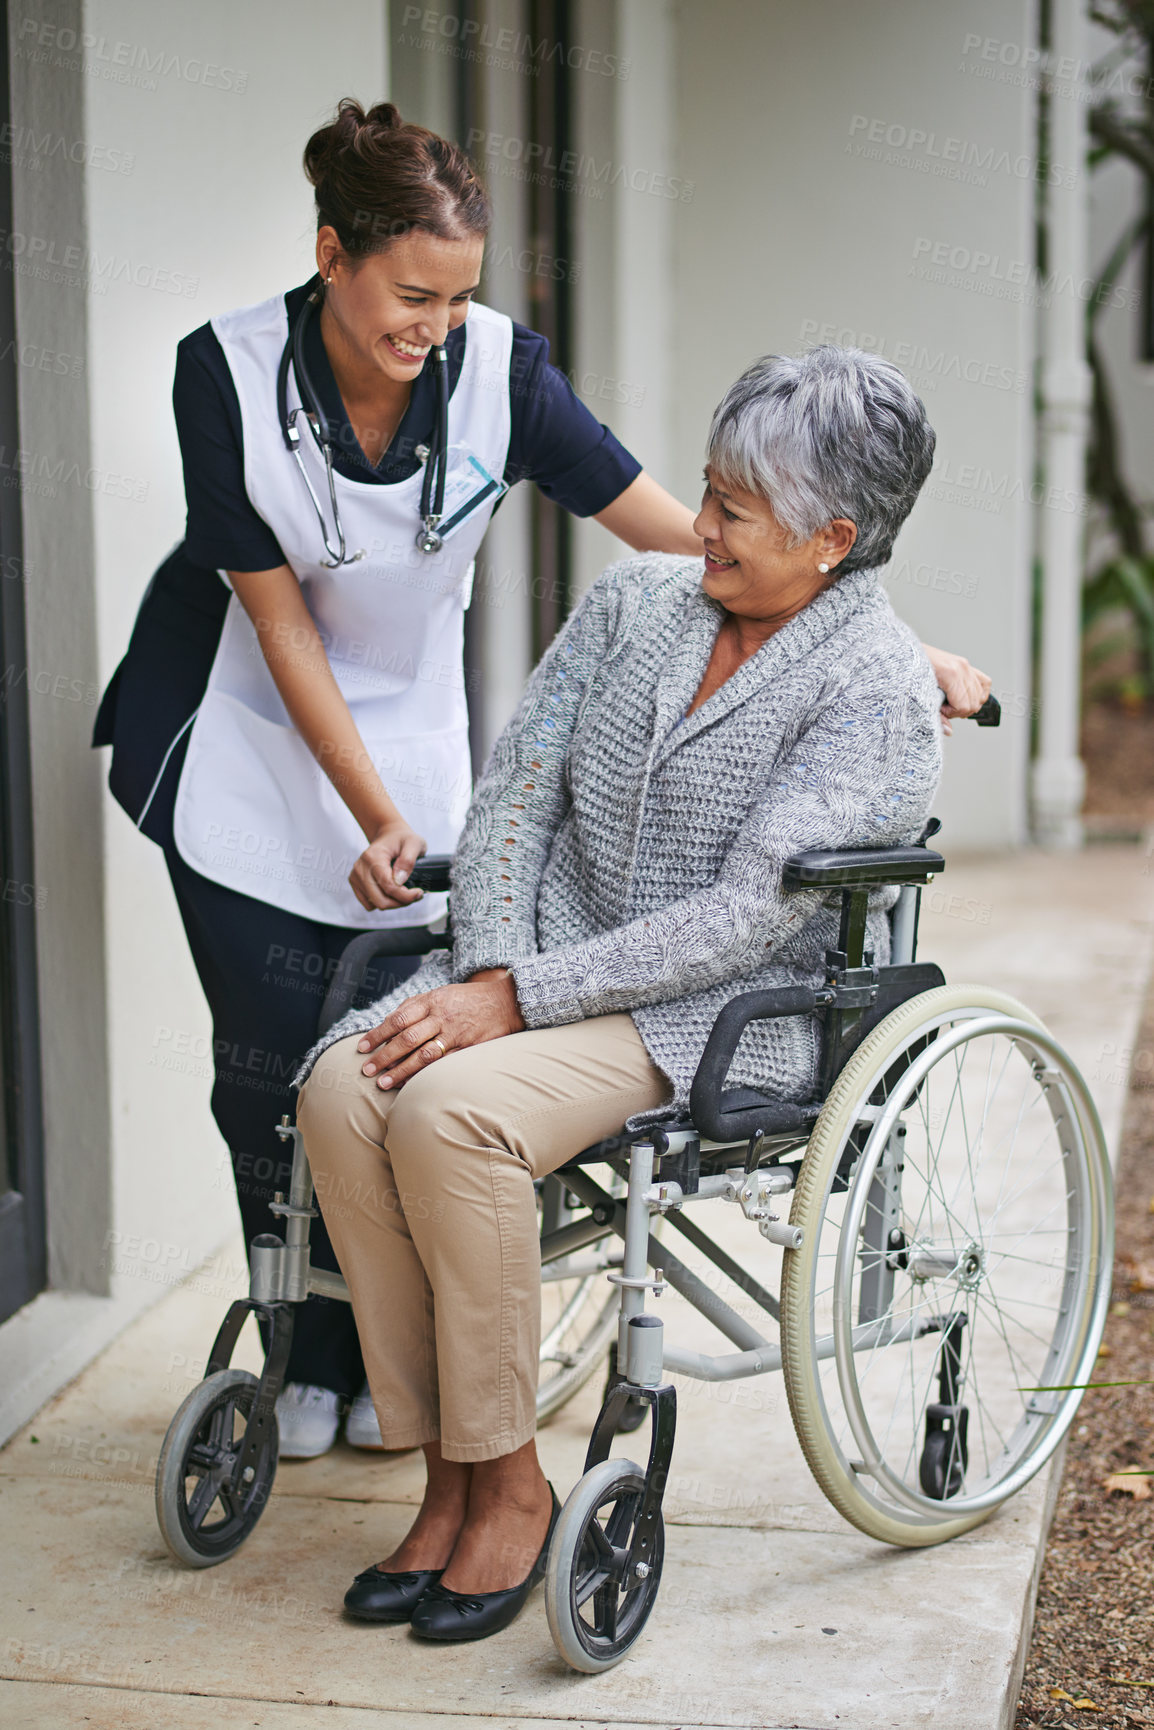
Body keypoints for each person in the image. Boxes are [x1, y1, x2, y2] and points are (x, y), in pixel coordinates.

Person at [94, 99, 984, 1463]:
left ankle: (449, 1426)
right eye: (410, 292)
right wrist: (407, 854)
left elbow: (666, 516)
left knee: (412, 1065)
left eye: (458, 294)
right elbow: (279, 622)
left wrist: (868, 627)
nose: (435, 322)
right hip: (245, 718)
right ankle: (311, 1351)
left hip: (418, 731)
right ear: (330, 254)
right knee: (274, 1063)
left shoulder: (502, 373)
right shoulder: (224, 373)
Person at [293, 344, 944, 1642]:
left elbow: (743, 916)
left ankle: (511, 1490)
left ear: (831, 538)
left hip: (709, 1013)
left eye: (733, 512)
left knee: (447, 1116)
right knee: (340, 1087)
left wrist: (519, 998)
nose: (694, 525)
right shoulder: (635, 602)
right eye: (703, 490)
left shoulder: (870, 683)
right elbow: (520, 780)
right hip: (532, 963)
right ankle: (454, 1475)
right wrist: (487, 965)